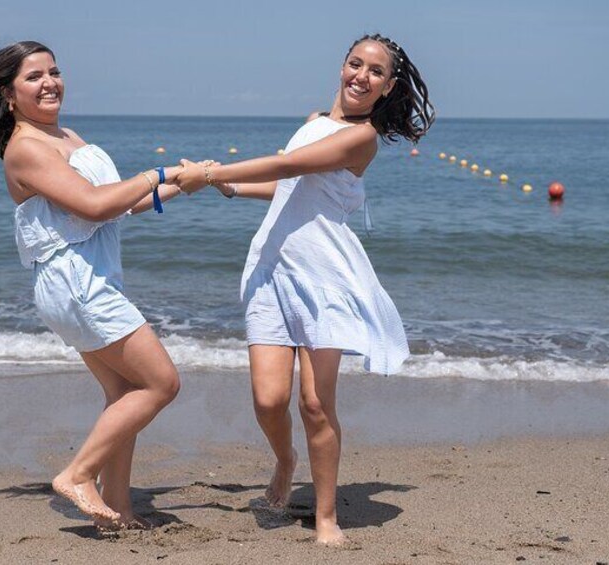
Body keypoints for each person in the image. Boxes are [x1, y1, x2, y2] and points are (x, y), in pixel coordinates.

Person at [0, 41, 190, 532]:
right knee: (161, 383)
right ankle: (79, 475)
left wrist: (181, 184)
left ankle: (117, 509)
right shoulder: (27, 149)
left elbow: (115, 204)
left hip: (86, 280)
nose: (50, 82)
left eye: (54, 71)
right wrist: (154, 172)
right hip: (75, 283)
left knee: (124, 392)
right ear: (10, 94)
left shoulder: (66, 135)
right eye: (34, 76)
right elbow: (94, 205)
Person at [174, 33, 434, 546]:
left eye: (375, 71)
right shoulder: (315, 120)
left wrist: (207, 173)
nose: (361, 76)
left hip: (325, 280)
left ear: (388, 87)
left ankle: (326, 517)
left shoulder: (362, 138)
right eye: (355, 63)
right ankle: (285, 460)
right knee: (269, 400)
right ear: (342, 66)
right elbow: (290, 185)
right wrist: (231, 188)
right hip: (272, 270)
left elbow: (291, 165)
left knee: (316, 404)